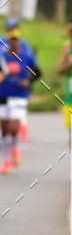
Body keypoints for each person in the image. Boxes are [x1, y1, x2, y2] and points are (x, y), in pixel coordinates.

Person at [0, 30, 35, 172]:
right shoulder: (2, 58)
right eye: (11, 40)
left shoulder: (25, 57)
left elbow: (37, 72)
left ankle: (12, 151)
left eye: (16, 40)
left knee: (13, 128)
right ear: (8, 42)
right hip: (3, 95)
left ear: (19, 41)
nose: (13, 42)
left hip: (19, 97)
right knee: (4, 129)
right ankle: (7, 159)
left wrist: (28, 80)